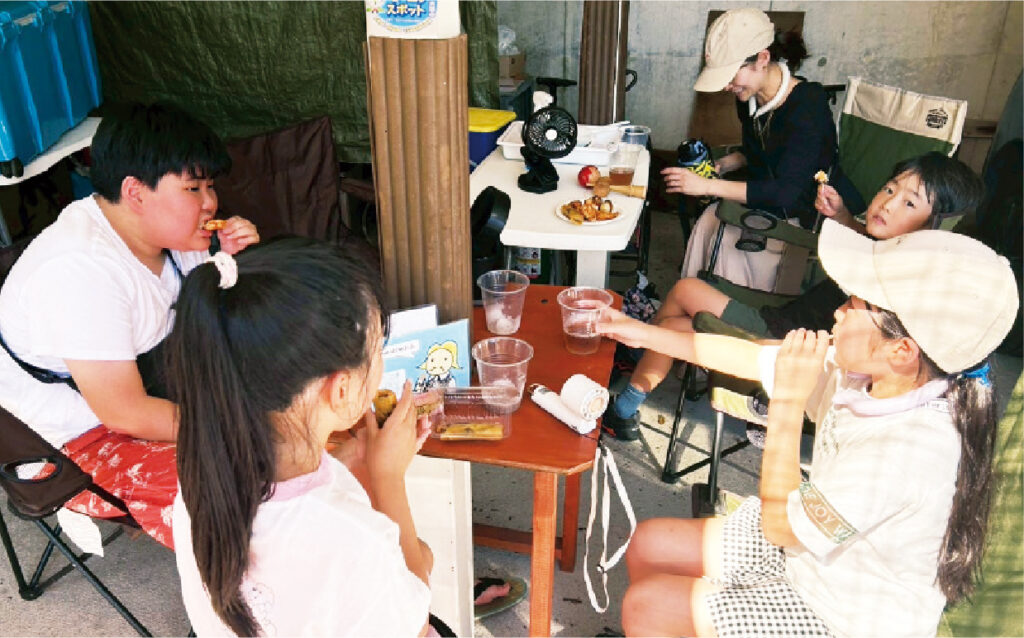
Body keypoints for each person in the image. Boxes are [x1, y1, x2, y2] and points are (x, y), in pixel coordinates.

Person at [595, 219, 1018, 637]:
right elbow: (751, 356)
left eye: (855, 305)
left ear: (902, 350)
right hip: (807, 552)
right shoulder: (871, 373)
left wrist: (788, 402)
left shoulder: (911, 450)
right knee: (648, 545)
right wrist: (640, 333)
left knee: (647, 606)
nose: (838, 311)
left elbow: (779, 526)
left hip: (840, 616)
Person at [0, 103, 260, 547]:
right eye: (193, 188)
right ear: (135, 192)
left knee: (299, 394)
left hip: (154, 382)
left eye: (210, 186)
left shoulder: (175, 237)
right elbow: (124, 413)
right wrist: (236, 425)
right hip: (72, 439)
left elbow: (216, 318)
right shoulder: (81, 271)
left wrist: (232, 264)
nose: (211, 203)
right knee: (243, 490)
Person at [604, 152, 982, 440]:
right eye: (890, 188)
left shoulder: (896, 279)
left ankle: (626, 403)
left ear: (932, 227)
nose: (887, 202)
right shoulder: (893, 248)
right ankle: (634, 381)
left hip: (789, 341)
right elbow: (868, 241)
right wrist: (843, 217)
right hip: (788, 316)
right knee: (680, 305)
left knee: (678, 312)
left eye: (909, 203)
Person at [167, 237, 433, 637]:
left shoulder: (200, 479)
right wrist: (388, 477)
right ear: (341, 389)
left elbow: (285, 510)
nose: (380, 361)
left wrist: (349, 459)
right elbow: (416, 613)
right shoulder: (357, 541)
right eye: (379, 349)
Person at [664, 8, 863, 291]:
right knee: (709, 220)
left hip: (806, 210)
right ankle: (694, 303)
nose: (727, 86)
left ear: (762, 59)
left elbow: (786, 190)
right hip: (768, 199)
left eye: (731, 75)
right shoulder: (749, 98)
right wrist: (724, 165)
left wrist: (706, 186)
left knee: (728, 236)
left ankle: (729, 308)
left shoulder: (807, 107)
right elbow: (758, 150)